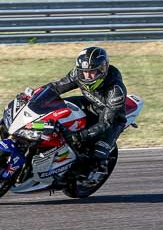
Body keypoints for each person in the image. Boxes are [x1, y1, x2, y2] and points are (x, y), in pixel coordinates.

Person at [44, 46, 127, 184]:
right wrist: (34, 95)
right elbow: (56, 87)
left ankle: (96, 171)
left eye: (92, 72)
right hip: (90, 104)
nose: (87, 76)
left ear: (102, 69)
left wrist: (81, 136)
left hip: (111, 119)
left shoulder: (115, 90)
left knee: (97, 153)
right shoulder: (78, 74)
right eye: (84, 72)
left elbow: (106, 123)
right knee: (55, 107)